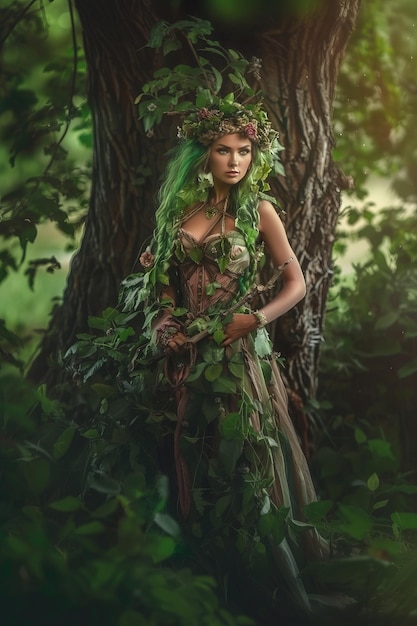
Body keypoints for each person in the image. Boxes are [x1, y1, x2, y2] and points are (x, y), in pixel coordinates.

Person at [126, 98, 332, 618]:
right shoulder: (179, 210)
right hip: (189, 355)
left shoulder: (259, 209)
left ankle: (283, 587)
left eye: (244, 151)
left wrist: (255, 320)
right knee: (198, 453)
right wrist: (167, 325)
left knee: (247, 457)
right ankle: (212, 582)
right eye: (223, 150)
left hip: (238, 349)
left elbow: (296, 283)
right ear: (204, 155)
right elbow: (164, 287)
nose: (235, 161)